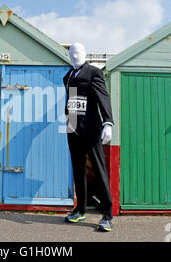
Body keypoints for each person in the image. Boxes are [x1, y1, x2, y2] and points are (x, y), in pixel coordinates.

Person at [63, 43, 114, 232]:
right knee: (78, 170)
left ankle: (107, 214)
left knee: (99, 170)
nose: (75, 56)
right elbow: (73, 99)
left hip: (91, 129)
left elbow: (103, 97)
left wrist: (108, 122)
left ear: (84, 54)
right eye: (72, 53)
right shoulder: (69, 76)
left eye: (78, 53)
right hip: (73, 129)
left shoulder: (93, 72)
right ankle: (80, 209)